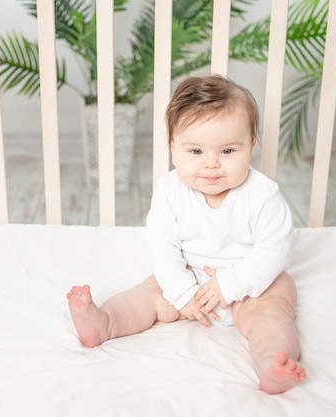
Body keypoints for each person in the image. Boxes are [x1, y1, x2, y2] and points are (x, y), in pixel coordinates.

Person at [66, 74, 306, 394]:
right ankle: (103, 323)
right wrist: (182, 293)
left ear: (250, 145)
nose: (211, 164)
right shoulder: (169, 191)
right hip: (190, 279)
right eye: (195, 152)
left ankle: (272, 363)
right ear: (172, 148)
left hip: (250, 287)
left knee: (275, 306)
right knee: (148, 292)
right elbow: (162, 245)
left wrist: (231, 284)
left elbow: (275, 248)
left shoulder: (262, 194)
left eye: (227, 151)